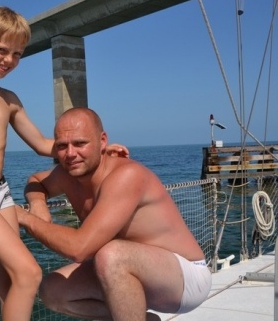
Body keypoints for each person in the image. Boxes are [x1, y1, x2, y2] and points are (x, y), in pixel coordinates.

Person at [0, 7, 128, 320]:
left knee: (9, 279)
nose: (9, 60)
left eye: (17, 54)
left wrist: (98, 151)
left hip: (1, 192)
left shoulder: (9, 98)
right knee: (29, 273)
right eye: (2, 50)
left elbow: (42, 144)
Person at [15, 107, 212, 321]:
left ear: (102, 141)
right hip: (128, 271)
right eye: (62, 146)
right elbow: (36, 180)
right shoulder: (66, 175)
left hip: (185, 278)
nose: (70, 154)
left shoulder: (126, 176)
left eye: (80, 143)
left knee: (111, 255)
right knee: (53, 289)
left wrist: (26, 219)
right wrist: (37, 203)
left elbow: (79, 249)